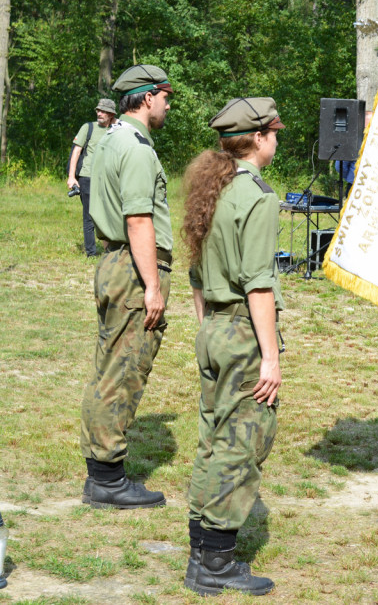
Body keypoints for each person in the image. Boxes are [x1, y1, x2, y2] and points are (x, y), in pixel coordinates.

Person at [182, 98, 285, 596]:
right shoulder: (257, 197)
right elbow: (258, 284)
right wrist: (270, 357)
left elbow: (196, 274)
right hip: (243, 331)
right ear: (259, 137)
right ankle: (217, 563)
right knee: (241, 443)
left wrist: (209, 328)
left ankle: (201, 547)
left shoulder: (213, 188)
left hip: (214, 329)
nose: (276, 141)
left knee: (213, 436)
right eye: (274, 133)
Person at [80, 65, 174, 509]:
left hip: (115, 262)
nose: (168, 107)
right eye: (166, 98)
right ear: (149, 97)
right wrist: (152, 285)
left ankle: (100, 472)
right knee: (124, 371)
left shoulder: (110, 139)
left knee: (108, 368)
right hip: (134, 268)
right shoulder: (135, 148)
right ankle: (108, 480)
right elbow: (138, 219)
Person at [66, 98, 118, 256]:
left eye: (104, 111)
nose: (99, 113)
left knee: (109, 214)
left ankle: (110, 251)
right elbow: (76, 151)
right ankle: (91, 252)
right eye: (98, 110)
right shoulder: (88, 128)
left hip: (108, 178)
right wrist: (71, 177)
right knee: (90, 215)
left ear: (111, 114)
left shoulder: (117, 130)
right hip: (87, 177)